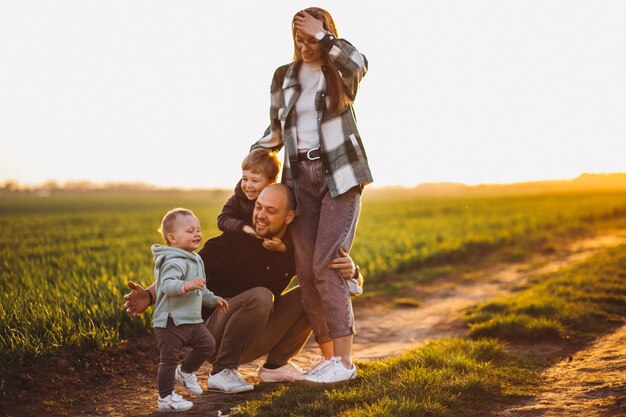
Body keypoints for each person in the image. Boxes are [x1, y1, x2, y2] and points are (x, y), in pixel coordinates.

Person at [124, 185, 362, 393]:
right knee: (261, 296)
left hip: (255, 333)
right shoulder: (231, 243)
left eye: (271, 211)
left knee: (310, 293)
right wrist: (149, 294)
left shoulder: (293, 249)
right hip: (213, 333)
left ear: (289, 217)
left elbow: (336, 284)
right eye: (259, 207)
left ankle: (275, 366)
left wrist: (353, 272)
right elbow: (184, 269)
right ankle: (222, 371)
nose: (261, 215)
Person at [251, 7, 372, 385]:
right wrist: (252, 163)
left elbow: (360, 62)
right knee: (306, 271)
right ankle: (330, 359)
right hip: (299, 177)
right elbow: (275, 130)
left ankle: (346, 363)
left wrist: (324, 36)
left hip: (339, 174)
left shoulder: (339, 69)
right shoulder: (283, 76)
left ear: (324, 34)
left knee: (326, 264)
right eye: (299, 39)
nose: (305, 46)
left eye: (311, 38)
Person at [151, 208, 229, 412]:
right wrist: (185, 286)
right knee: (168, 360)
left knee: (208, 345)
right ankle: (165, 398)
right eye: (190, 231)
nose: (197, 234)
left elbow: (200, 288)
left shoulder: (195, 259)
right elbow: (167, 285)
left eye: (198, 229)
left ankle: (185, 372)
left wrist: (213, 299)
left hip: (191, 320)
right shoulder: (172, 261)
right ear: (172, 238)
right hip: (170, 322)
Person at [217, 148, 286, 252]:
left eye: (255, 180)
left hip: (265, 250)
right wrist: (244, 227)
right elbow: (223, 219)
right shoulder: (238, 198)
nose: (248, 185)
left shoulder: (278, 201)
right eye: (245, 179)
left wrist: (283, 247)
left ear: (272, 181)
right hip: (240, 246)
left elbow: (289, 230)